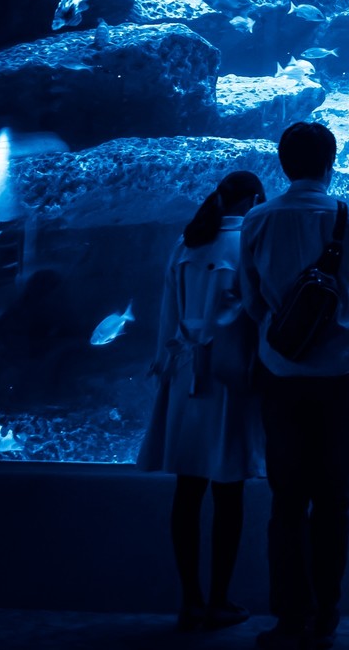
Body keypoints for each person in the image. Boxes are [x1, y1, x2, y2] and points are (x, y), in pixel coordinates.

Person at [240, 123, 349, 650]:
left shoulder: (257, 219)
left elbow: (251, 301)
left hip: (280, 378)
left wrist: (283, 336)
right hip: (339, 379)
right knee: (334, 501)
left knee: (286, 502)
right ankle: (328, 613)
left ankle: (289, 616)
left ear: (283, 163)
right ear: (330, 162)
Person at [137, 171, 268, 632]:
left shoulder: (187, 243)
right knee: (228, 491)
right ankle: (219, 598)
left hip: (184, 375)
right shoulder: (249, 242)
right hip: (230, 379)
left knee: (188, 490)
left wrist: (163, 365)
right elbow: (257, 312)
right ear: (254, 199)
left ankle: (190, 598)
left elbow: (167, 311)